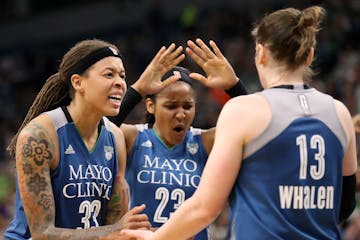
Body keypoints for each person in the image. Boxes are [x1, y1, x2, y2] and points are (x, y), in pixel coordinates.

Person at [120, 5, 358, 240]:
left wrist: (156, 238)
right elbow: (344, 208)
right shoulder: (340, 113)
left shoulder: (242, 111)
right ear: (310, 56)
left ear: (261, 53)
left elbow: (205, 207)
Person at [4, 38, 185, 239]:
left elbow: (117, 229)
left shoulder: (115, 138)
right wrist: (113, 231)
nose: (120, 82)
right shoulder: (40, 136)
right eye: (109, 74)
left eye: (122, 76)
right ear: (78, 82)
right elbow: (42, 233)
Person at [109, 38, 247, 240]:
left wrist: (234, 86)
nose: (181, 114)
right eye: (171, 106)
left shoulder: (205, 142)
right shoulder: (133, 137)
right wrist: (137, 89)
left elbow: (254, 127)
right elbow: (99, 130)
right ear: (150, 106)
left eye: (187, 106)